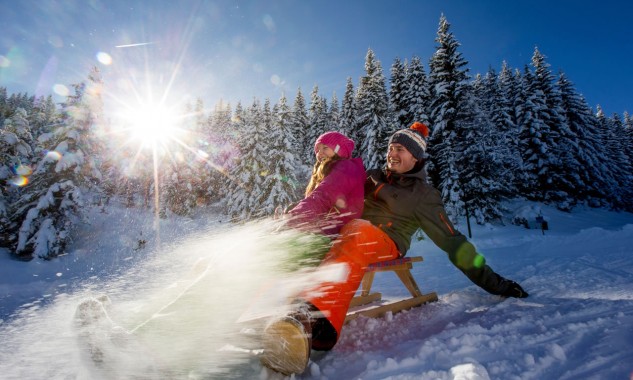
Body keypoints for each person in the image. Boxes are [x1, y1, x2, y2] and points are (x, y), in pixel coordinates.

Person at [261, 122, 528, 376]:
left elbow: (454, 242)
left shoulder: (423, 194)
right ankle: (290, 317)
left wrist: (497, 285)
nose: (392, 153)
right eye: (390, 148)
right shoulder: (373, 177)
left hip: (387, 242)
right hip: (350, 236)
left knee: (359, 231)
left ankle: (313, 322)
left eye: (399, 149)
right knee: (316, 243)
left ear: (415, 156)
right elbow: (340, 193)